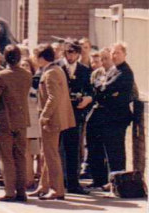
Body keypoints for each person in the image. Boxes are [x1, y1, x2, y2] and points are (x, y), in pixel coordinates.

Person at [87, 42, 135, 191]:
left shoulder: (124, 72)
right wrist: (103, 88)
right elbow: (97, 84)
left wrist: (103, 88)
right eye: (113, 53)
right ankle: (100, 179)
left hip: (116, 117)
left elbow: (106, 88)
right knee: (99, 147)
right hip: (105, 115)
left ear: (125, 55)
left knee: (115, 150)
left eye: (118, 53)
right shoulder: (112, 69)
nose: (114, 56)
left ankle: (116, 181)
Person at [31, 43, 76, 200]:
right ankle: (44, 186)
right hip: (54, 118)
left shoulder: (51, 73)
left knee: (51, 154)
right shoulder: (54, 70)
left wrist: (44, 115)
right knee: (46, 153)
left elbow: (53, 97)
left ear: (42, 57)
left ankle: (57, 189)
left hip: (52, 119)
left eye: (36, 56)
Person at [0, 45, 32, 202]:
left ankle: (9, 191)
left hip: (5, 119)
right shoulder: (27, 75)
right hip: (21, 119)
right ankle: (21, 190)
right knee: (20, 156)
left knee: (7, 157)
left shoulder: (1, 76)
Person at [59, 40, 93, 195]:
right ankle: (59, 181)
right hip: (60, 112)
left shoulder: (85, 70)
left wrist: (87, 99)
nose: (71, 56)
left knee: (73, 148)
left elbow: (90, 90)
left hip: (76, 113)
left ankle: (73, 183)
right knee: (58, 148)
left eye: (74, 52)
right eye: (68, 52)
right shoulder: (57, 67)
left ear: (79, 54)